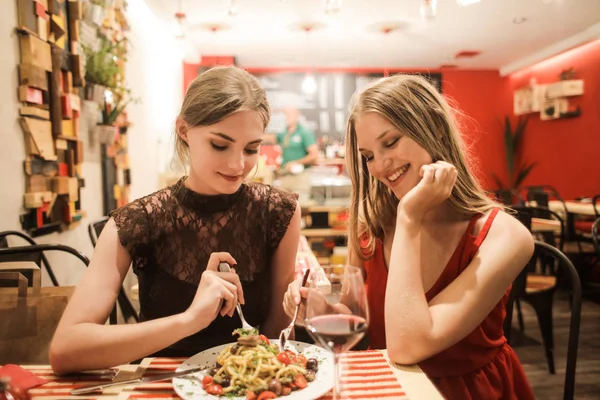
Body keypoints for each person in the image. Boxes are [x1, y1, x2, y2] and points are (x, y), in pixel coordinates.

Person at [283, 75, 535, 399]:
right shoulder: (370, 223)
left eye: (390, 142)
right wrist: (320, 308)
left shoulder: (505, 236)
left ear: (435, 129)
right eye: (368, 155)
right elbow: (355, 317)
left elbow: (406, 345)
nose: (380, 165)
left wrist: (409, 217)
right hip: (384, 384)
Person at [50, 66, 301, 374]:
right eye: (219, 145)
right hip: (160, 388)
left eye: (251, 149)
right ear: (184, 130)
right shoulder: (138, 220)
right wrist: (189, 320)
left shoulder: (278, 212)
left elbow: (276, 331)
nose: (238, 165)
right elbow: (65, 350)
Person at [275, 107, 318, 173]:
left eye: (290, 114)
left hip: (300, 174)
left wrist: (295, 163)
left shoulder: (304, 132)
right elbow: (274, 139)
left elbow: (314, 155)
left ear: (297, 115)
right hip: (284, 173)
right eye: (285, 114)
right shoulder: (284, 132)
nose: (287, 117)